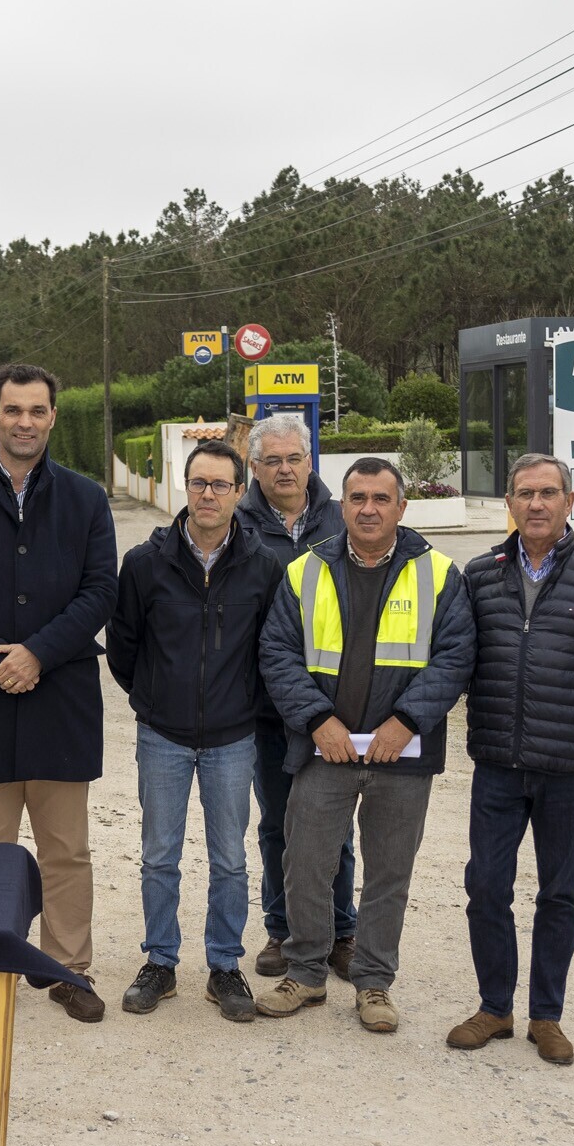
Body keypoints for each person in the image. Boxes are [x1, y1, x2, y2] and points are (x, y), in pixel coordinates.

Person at [0, 363, 117, 1022]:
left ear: (53, 416)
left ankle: (68, 970)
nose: (25, 421)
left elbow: (100, 592)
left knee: (66, 849)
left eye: (37, 410)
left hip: (60, 698)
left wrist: (38, 652)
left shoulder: (88, 499)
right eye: (14, 410)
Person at [254, 457, 474, 1033]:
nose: (368, 509)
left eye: (381, 499)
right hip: (326, 749)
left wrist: (407, 721)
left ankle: (374, 983)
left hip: (400, 755)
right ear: (341, 505)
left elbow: (456, 658)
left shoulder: (442, 574)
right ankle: (304, 974)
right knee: (305, 862)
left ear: (401, 508)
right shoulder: (304, 572)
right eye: (357, 498)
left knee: (388, 873)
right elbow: (276, 653)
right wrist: (316, 720)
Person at [445, 453, 574, 1065]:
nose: (536, 504)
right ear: (509, 503)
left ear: (569, 501)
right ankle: (494, 1007)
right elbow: (459, 659)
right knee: (485, 885)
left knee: (559, 893)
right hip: (499, 762)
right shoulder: (479, 575)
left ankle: (547, 1015)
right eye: (525, 493)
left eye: (548, 493)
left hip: (571, 768)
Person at [106, 439, 281, 1023]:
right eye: (199, 484)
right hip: (163, 736)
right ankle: (160, 961)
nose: (209, 495)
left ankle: (225, 966)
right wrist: (153, 699)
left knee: (230, 857)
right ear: (187, 488)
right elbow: (124, 647)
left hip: (234, 738)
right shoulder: (145, 562)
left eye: (221, 485)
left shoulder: (262, 565)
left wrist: (243, 706)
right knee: (159, 855)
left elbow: (271, 650)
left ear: (239, 492)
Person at [233, 414, 358, 981]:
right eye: (271, 461)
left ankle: (341, 931)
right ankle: (282, 930)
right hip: (265, 706)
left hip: (340, 703)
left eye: (294, 458)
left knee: (336, 825)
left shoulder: (344, 517)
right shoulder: (237, 522)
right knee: (279, 823)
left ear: (310, 461)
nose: (284, 469)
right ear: (253, 468)